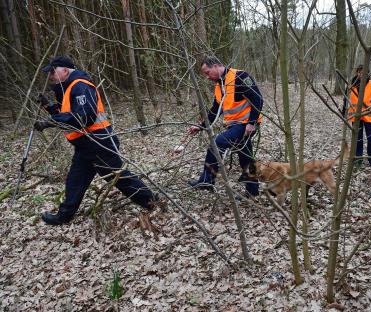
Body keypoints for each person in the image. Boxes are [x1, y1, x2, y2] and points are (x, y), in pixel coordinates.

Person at [34, 56, 161, 225]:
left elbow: (84, 117)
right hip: (85, 144)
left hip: (98, 141)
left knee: (119, 178)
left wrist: (51, 122)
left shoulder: (80, 85)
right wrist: (48, 107)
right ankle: (64, 215)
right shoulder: (69, 88)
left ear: (64, 70)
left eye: (52, 71)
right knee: (75, 180)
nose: (50, 75)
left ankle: (152, 202)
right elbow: (67, 112)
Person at [187, 56, 263, 198]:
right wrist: (201, 126)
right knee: (245, 156)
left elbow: (258, 98)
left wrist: (252, 123)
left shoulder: (240, 76)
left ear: (216, 66)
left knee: (217, 142)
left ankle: (207, 181)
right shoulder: (219, 86)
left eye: (207, 72)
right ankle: (253, 191)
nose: (207, 77)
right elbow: (216, 110)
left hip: (247, 124)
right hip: (235, 126)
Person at [348, 65, 371, 167]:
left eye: (365, 72)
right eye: (360, 72)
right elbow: (346, 100)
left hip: (369, 116)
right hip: (355, 116)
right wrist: (344, 111)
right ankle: (357, 160)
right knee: (357, 139)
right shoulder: (351, 85)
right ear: (357, 73)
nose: (362, 74)